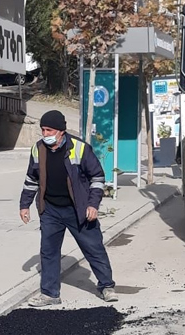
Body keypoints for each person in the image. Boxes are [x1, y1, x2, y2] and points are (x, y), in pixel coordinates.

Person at [19, 110, 119, 306]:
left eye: (49, 130)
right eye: (42, 130)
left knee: (93, 248)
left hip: (78, 210)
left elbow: (97, 177)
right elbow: (31, 179)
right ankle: (50, 294)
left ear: (61, 132)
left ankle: (106, 286)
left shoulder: (80, 149)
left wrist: (92, 204)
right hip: (50, 210)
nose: (45, 134)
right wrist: (25, 205)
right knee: (48, 251)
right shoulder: (37, 149)